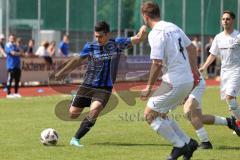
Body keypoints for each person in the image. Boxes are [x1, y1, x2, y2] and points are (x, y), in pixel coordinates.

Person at [51, 21, 147, 147]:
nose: (98, 39)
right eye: (96, 36)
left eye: (100, 36)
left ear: (107, 34)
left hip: (104, 88)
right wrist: (62, 73)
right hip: (87, 85)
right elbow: (77, 61)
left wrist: (144, 27)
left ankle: (75, 139)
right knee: (73, 114)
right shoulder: (90, 46)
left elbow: (139, 38)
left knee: (94, 111)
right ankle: (74, 99)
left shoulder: (117, 44)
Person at [140, 2, 200, 160]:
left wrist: (148, 86)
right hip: (186, 78)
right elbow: (192, 49)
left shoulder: (156, 33)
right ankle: (189, 143)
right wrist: (194, 74)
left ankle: (179, 146)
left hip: (175, 80)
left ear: (145, 16)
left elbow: (157, 63)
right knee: (160, 113)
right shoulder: (173, 26)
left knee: (149, 115)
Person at [199, 10, 240, 136]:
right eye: (223, 19)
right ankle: (236, 122)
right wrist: (204, 67)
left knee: (230, 97)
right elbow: (213, 55)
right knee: (230, 102)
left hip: (237, 69)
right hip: (225, 72)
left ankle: (238, 123)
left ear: (233, 20)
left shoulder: (238, 36)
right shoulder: (218, 37)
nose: (225, 21)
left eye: (227, 19)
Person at [183, 75, 240, 150]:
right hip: (188, 84)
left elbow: (193, 71)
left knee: (189, 111)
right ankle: (229, 122)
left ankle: (205, 143)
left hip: (196, 83)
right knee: (198, 118)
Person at [5, 34, 22, 98]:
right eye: (11, 38)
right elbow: (12, 53)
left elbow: (21, 51)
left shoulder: (15, 45)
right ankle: (8, 93)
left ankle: (16, 92)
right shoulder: (7, 45)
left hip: (17, 65)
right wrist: (18, 53)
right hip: (11, 65)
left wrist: (18, 48)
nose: (12, 39)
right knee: (10, 79)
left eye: (13, 38)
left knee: (17, 80)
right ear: (9, 38)